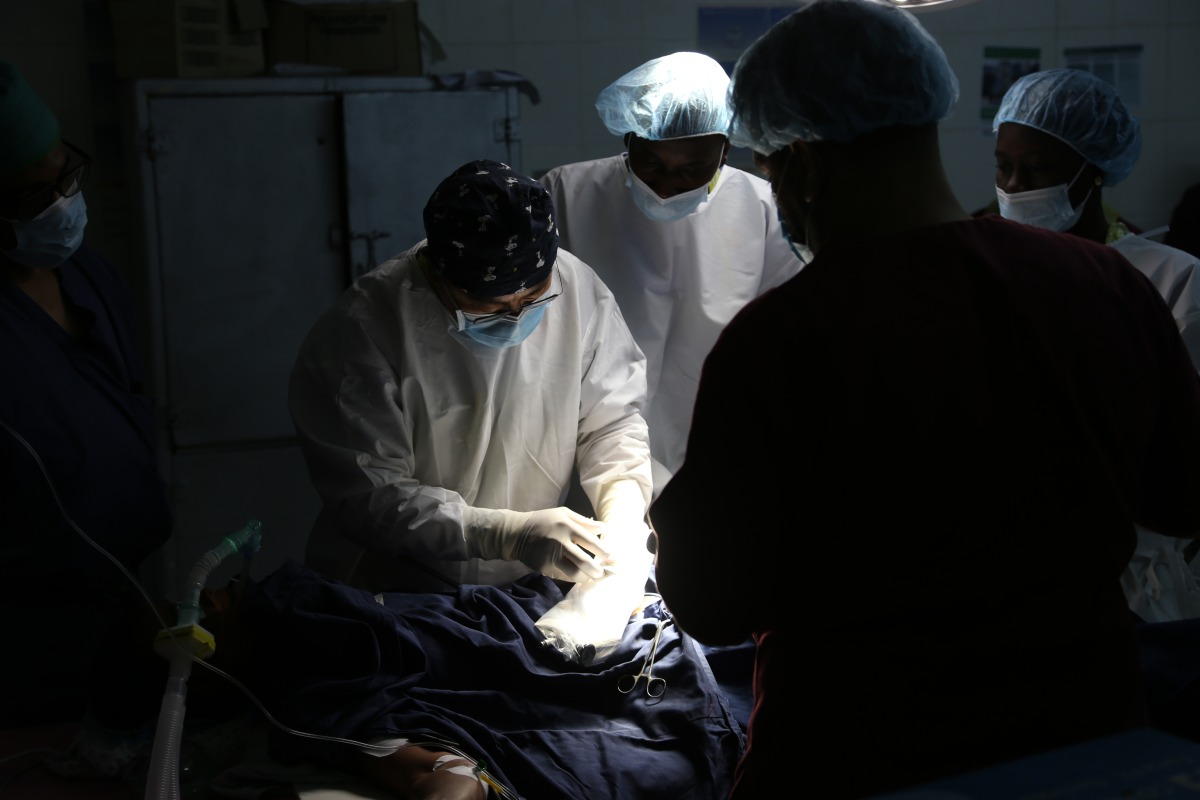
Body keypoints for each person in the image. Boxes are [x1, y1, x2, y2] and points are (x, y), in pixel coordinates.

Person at [646, 2, 1200, 798]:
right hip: (1084, 742)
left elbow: (714, 602)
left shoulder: (785, 338)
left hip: (862, 752)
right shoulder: (1105, 284)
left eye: (769, 171)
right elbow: (1183, 497)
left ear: (801, 160)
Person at [289, 160, 655, 658]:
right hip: (398, 591)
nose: (517, 314)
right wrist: (505, 533)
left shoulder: (577, 288)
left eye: (533, 296)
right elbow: (371, 496)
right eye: (490, 305)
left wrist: (623, 504)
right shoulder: (366, 328)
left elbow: (611, 422)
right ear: (439, 271)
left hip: (528, 590)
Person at [539, 52, 804, 495]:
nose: (665, 188)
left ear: (725, 148)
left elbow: (784, 339)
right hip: (589, 436)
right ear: (628, 141)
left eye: (690, 172)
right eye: (651, 165)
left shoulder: (763, 210)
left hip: (719, 434)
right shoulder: (567, 194)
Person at [0, 61, 173, 738]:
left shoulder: (88, 277)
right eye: (29, 195)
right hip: (27, 646)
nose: (60, 203)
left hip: (127, 605)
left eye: (66, 174)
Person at [992, 68, 1200, 623]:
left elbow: (1176, 456)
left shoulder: (1169, 277)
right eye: (1004, 166)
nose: (1013, 187)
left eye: (1038, 169)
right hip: (1005, 576)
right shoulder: (989, 268)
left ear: (1095, 172)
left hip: (1134, 586)